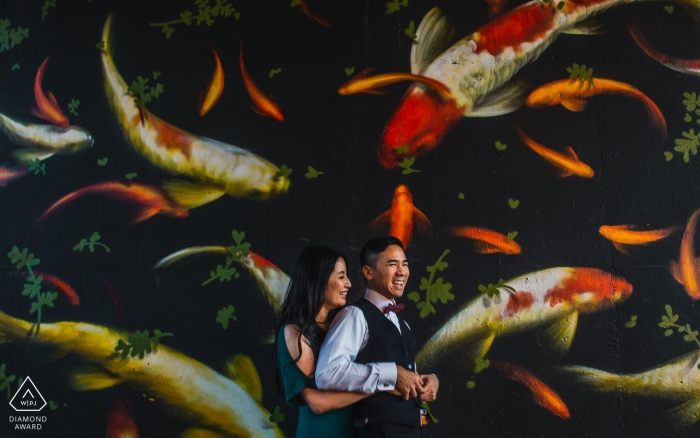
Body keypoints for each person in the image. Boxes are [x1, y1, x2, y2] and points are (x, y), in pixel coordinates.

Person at [315, 236, 439, 438]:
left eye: (404, 264)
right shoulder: (353, 315)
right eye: (392, 264)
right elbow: (327, 373)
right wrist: (391, 373)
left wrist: (429, 381)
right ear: (368, 272)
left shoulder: (401, 322)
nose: (402, 271)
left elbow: (403, 378)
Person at [275, 246, 371, 438]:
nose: (349, 284)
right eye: (341, 276)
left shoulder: (343, 328)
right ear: (318, 279)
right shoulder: (293, 332)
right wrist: (378, 385)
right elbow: (318, 403)